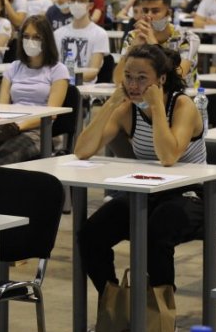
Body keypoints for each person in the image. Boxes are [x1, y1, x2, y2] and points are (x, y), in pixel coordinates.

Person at [75, 45, 206, 314]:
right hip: (147, 192)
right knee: (90, 234)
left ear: (161, 79)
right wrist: (111, 103)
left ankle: (161, 318)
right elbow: (82, 150)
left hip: (189, 195)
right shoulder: (128, 109)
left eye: (142, 78)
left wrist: (157, 107)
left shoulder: (182, 106)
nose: (133, 85)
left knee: (155, 234)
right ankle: (115, 308)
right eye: (128, 77)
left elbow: (168, 156)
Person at [0, 14, 69, 164]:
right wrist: (7, 126)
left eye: (36, 37)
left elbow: (52, 113)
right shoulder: (13, 67)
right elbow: (2, 106)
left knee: (1, 157)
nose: (30, 41)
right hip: (9, 126)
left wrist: (19, 126)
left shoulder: (58, 70)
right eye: (26, 36)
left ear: (46, 40)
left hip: (39, 132)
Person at [113, 0, 200, 86]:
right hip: (145, 93)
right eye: (145, 11)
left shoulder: (188, 38)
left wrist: (154, 45)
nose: (149, 16)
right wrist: (131, 50)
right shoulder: (133, 36)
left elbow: (177, 77)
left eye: (155, 11)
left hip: (182, 93)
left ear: (168, 13)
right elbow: (118, 80)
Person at [53, 0, 109, 84]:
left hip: (85, 89)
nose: (76, 4)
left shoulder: (100, 34)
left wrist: (67, 77)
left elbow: (92, 73)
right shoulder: (58, 33)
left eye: (81, 1)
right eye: (73, 0)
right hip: (60, 85)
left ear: (90, 6)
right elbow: (53, 66)